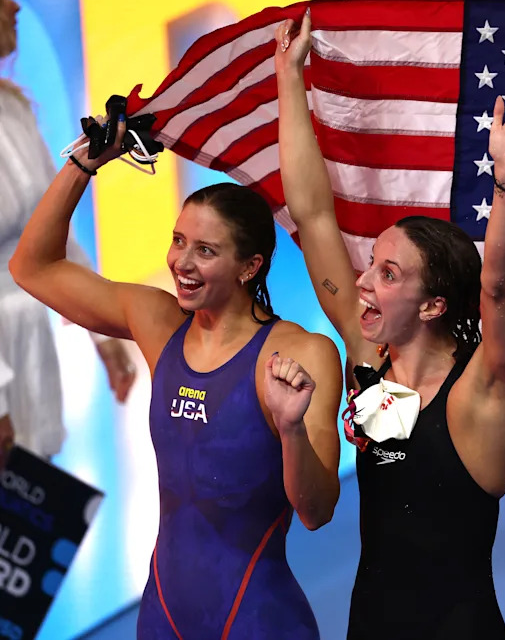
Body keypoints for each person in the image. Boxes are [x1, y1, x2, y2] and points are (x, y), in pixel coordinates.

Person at [275, 10, 505, 639]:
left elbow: (499, 286)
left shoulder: (484, 390)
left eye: (389, 274)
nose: (365, 283)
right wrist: (289, 81)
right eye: (371, 266)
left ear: (434, 306)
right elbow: (314, 215)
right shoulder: (370, 357)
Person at [9, 114, 343, 635]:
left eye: (205, 251)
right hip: (163, 614)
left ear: (249, 267)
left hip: (256, 619)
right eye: (178, 240)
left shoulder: (300, 352)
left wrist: (292, 429)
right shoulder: (159, 322)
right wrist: (84, 164)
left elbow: (317, 510)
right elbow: (32, 266)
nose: (180, 262)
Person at [0, 0, 136, 463]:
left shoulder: (14, 109)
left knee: (28, 509)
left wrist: (102, 331)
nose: (14, 8)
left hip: (31, 347)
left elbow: (51, 230)